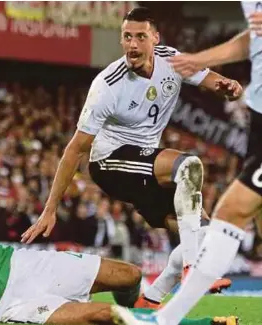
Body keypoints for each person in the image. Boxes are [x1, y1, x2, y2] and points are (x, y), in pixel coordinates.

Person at [21, 6, 240, 295]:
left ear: (155, 39)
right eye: (127, 37)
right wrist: (50, 209)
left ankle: (152, 297)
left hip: (145, 163)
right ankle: (193, 268)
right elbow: (74, 150)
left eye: (140, 37)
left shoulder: (170, 60)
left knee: (202, 233)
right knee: (188, 166)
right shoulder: (107, 86)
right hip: (110, 163)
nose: (133, 44)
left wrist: (227, 87)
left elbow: (209, 79)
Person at [0, 165, 237, 325]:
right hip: (7, 305)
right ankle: (202, 323)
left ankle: (143, 315)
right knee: (104, 316)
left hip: (21, 265)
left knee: (129, 275)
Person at [113, 3, 262, 325]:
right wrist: (200, 61)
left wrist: (199, 61)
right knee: (236, 217)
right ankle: (156, 301)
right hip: (259, 114)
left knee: (228, 212)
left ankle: (164, 314)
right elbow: (254, 37)